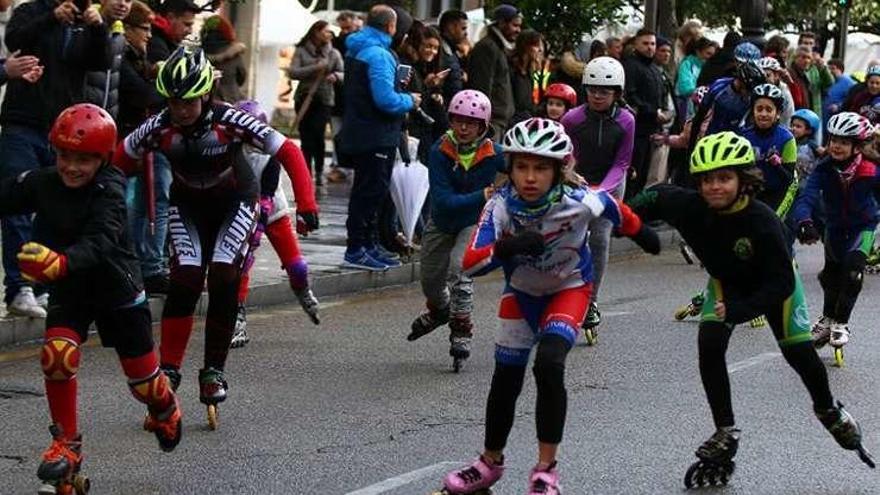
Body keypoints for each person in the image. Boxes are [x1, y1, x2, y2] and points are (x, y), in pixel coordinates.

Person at [629, 131, 874, 488]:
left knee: (799, 356)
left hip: (772, 286)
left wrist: (740, 311)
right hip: (727, 281)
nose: (715, 187)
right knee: (709, 345)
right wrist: (622, 218)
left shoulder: (763, 222)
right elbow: (651, 198)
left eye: (725, 178)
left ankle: (828, 409)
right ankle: (725, 429)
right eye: (707, 180)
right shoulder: (688, 204)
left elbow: (780, 286)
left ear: (744, 180)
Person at [438, 117, 659, 495]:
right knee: (505, 380)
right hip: (521, 293)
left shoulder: (581, 201)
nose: (529, 177)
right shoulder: (500, 208)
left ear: (559, 169)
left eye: (541, 168)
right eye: (521, 166)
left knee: (549, 364)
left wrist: (643, 234)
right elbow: (470, 265)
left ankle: (545, 470)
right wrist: (508, 247)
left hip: (569, 289)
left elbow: (616, 209)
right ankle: (490, 462)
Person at [113, 46, 318, 421]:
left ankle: (213, 370)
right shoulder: (159, 126)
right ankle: (170, 369)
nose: (181, 110)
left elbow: (288, 150)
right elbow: (117, 164)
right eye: (174, 102)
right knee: (185, 280)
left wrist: (307, 202)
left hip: (235, 203)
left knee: (224, 273)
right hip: (188, 207)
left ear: (206, 93)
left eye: (189, 101)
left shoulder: (231, 120)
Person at [4, 104, 181, 493]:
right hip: (70, 288)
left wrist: (61, 262)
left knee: (144, 387)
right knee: (57, 356)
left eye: (83, 159)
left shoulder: (111, 188)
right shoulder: (44, 182)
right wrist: (60, 268)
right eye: (65, 155)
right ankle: (66, 445)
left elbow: (101, 242)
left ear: (102, 159)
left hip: (116, 290)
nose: (71, 167)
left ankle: (165, 407)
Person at [0, 0, 111, 318]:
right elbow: (14, 39)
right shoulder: (31, 11)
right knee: (17, 206)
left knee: (53, 208)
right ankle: (18, 286)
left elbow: (100, 61)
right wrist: (51, 17)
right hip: (22, 124)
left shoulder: (83, 22)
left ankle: (44, 284)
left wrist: (97, 27)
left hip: (61, 131)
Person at [407, 90, 505, 369]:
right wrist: (483, 194)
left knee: (460, 269)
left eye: (471, 122)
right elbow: (444, 201)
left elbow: (524, 165)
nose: (463, 128)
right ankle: (440, 311)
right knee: (430, 283)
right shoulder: (440, 150)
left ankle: (461, 328)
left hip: (472, 222)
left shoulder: (493, 153)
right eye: (459, 120)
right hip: (441, 221)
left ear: (483, 126)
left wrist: (562, 173)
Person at [230, 100, 321, 348]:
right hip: (243, 210)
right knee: (241, 265)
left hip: (272, 212)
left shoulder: (269, 156)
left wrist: (304, 210)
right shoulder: (229, 150)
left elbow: (267, 198)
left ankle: (302, 289)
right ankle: (236, 317)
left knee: (296, 265)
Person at [792, 112, 879, 365]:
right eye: (833, 140)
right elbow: (806, 197)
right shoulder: (824, 168)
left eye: (843, 141)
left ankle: (841, 322)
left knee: (853, 272)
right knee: (830, 275)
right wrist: (805, 222)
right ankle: (827, 319)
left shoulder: (871, 170)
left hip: (863, 227)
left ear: (857, 146)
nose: (836, 146)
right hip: (835, 228)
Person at [339, 4, 418, 271]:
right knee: (370, 193)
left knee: (367, 191)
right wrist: (410, 100)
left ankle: (368, 246)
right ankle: (358, 249)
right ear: (390, 27)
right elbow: (386, 100)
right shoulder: (379, 55)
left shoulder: (357, 48)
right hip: (376, 135)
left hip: (362, 131)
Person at [561, 56, 634, 343]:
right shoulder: (572, 119)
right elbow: (565, 154)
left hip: (610, 184)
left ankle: (591, 300)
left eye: (604, 91)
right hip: (577, 180)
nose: (597, 96)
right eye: (592, 90)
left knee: (600, 238)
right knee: (568, 237)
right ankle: (563, 293)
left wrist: (601, 190)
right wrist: (569, 173)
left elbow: (622, 163)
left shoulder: (626, 120)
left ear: (617, 93)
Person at [289, 20, 343, 186]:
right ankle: (305, 172)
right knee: (306, 136)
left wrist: (336, 76)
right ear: (316, 32)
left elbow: (344, 73)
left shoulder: (333, 53)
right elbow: (293, 72)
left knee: (318, 134)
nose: (329, 35)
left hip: (325, 99)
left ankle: (319, 171)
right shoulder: (301, 51)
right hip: (305, 98)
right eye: (326, 31)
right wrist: (315, 67)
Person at [466, 3, 521, 139]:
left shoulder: (497, 47)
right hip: (491, 124)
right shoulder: (487, 48)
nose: (518, 30)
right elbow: (482, 88)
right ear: (502, 23)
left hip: (499, 123)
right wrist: (484, 121)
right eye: (515, 25)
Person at [623, 28, 666, 197]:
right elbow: (630, 96)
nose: (650, 47)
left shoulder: (654, 69)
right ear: (636, 44)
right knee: (633, 174)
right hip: (636, 131)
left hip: (652, 131)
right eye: (645, 43)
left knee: (645, 175)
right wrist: (652, 112)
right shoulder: (631, 66)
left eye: (653, 44)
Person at [398, 23, 449, 162]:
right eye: (428, 46)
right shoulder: (406, 65)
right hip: (413, 130)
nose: (432, 51)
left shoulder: (424, 67)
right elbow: (404, 93)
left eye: (435, 48)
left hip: (424, 129)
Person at [83, 0, 132, 118]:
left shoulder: (120, 36)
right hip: (80, 116)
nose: (122, 4)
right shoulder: (84, 26)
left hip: (105, 120)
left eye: (128, 1)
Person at [201, 15, 247, 103]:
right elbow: (241, 77)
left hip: (206, 102)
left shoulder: (198, 55)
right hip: (231, 100)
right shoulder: (234, 53)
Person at [509, 30, 544, 125]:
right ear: (526, 46)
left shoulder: (529, 73)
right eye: (536, 46)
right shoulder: (511, 71)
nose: (540, 50)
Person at [676, 37, 717, 110]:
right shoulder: (687, 64)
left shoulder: (709, 67)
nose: (711, 57)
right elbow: (684, 88)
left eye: (713, 55)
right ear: (698, 51)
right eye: (708, 53)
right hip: (685, 105)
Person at [437, 9, 468, 104]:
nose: (466, 33)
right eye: (463, 28)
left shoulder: (451, 50)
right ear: (451, 27)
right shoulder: (439, 51)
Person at [756, 56, 795, 126]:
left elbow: (788, 117)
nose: (764, 79)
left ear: (776, 75)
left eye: (768, 75)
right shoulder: (756, 88)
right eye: (761, 75)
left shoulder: (784, 92)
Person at [790, 108, 824, 187]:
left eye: (798, 126)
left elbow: (825, 153)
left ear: (809, 130)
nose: (793, 128)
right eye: (792, 125)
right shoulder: (790, 142)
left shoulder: (811, 145)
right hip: (794, 182)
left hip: (808, 183)